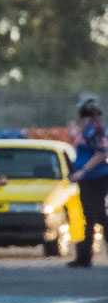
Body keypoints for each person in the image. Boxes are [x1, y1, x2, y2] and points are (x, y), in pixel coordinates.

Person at [66, 97, 108, 267]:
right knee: (90, 217)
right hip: (88, 178)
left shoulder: (96, 129)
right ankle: (84, 257)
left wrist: (83, 170)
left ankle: (84, 257)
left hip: (95, 178)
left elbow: (101, 153)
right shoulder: (89, 129)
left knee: (98, 216)